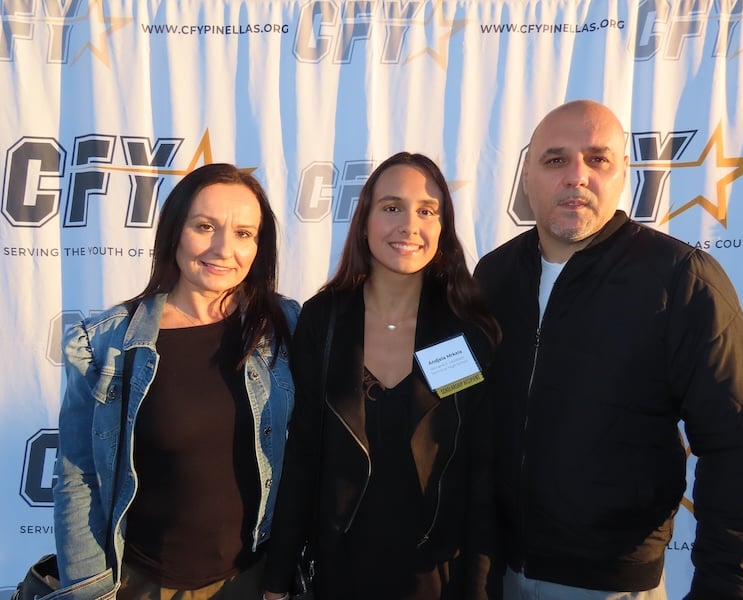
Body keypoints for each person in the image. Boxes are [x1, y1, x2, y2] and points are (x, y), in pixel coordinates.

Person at [473, 99, 743, 600]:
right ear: (527, 177)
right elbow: (466, 406)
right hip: (496, 576)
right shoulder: (493, 276)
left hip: (615, 586)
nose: (576, 175)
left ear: (623, 176)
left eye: (597, 159)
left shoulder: (680, 279)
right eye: (555, 160)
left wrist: (730, 588)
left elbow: (740, 444)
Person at [52, 163, 300, 599]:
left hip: (255, 578)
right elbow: (78, 477)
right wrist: (89, 590)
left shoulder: (285, 327)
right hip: (143, 581)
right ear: (174, 232)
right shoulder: (107, 343)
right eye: (205, 226)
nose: (224, 249)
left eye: (244, 233)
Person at [262, 152, 502, 600]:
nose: (410, 225)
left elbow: (480, 472)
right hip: (339, 572)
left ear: (442, 229)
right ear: (365, 220)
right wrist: (277, 579)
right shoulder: (324, 321)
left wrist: (480, 590)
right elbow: (304, 457)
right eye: (392, 207)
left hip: (434, 577)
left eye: (427, 211)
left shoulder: (465, 329)